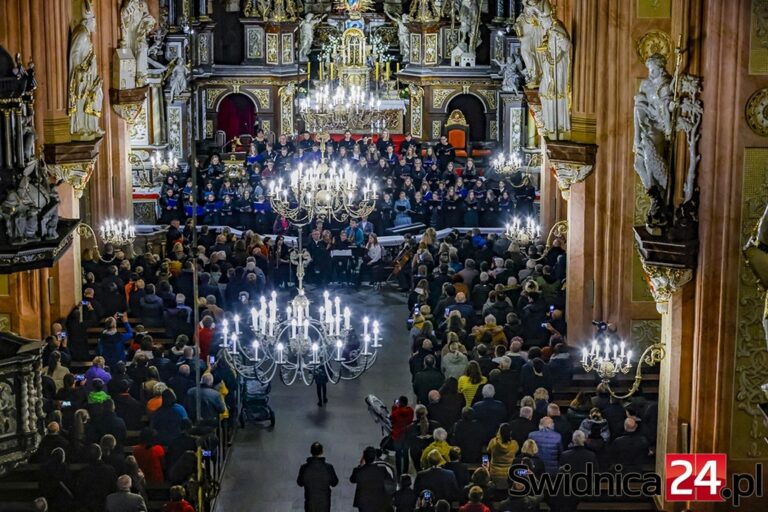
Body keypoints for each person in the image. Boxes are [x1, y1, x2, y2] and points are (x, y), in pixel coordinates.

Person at [297, 442, 339, 512]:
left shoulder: (304, 467)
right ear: (322, 452)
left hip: (310, 502)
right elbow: (334, 483)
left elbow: (300, 483)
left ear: (311, 452)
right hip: (324, 503)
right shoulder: (328, 467)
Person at [350, 446, 394, 512]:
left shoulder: (360, 471)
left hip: (363, 504)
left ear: (364, 458)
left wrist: (360, 465)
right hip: (378, 502)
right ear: (375, 458)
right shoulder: (382, 470)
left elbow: (352, 480)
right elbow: (390, 484)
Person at [486, 423, 519, 490]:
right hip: (508, 474)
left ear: (499, 432)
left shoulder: (493, 442)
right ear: (510, 433)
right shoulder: (514, 444)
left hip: (494, 473)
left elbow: (488, 450)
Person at [390, 396, 415, 476]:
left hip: (398, 436)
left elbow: (392, 419)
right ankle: (405, 472)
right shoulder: (410, 411)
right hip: (407, 435)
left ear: (400, 403)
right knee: (406, 453)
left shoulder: (396, 412)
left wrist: (394, 407)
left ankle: (399, 472)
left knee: (398, 454)